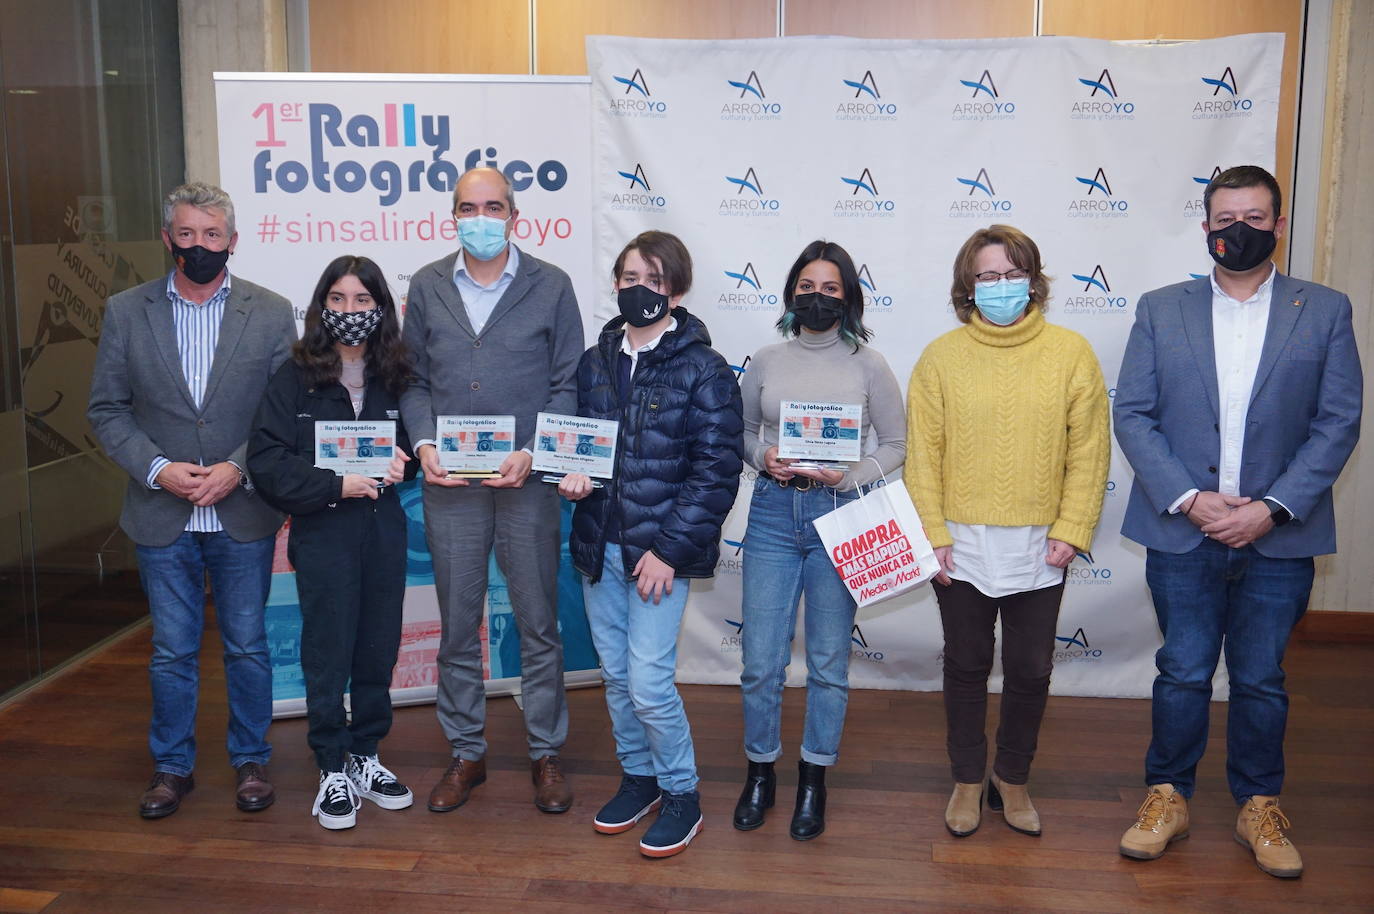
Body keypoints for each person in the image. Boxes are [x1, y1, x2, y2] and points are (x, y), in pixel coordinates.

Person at [1114, 166, 1362, 878]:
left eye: (1254, 217)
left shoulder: (1325, 310)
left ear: (1279, 225)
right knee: (1183, 670)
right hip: (1184, 530)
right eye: (1225, 219)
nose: (1239, 231)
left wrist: (1270, 508)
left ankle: (1260, 804)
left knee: (1260, 678)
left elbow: (1337, 420)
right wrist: (1191, 499)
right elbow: (1133, 412)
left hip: (1279, 535)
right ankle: (1167, 796)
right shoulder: (1162, 309)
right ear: (1205, 228)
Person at [87, 182, 296, 818]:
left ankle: (251, 759)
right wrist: (157, 469)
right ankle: (172, 767)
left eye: (212, 235)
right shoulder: (127, 310)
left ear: (233, 241)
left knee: (247, 644)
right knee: (172, 649)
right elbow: (107, 408)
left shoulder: (270, 310)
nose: (199, 246)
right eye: (187, 234)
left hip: (242, 508)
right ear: (167, 238)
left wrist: (236, 468)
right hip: (162, 511)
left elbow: (281, 413)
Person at [905, 224, 1109, 839]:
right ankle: (969, 777)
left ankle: (1012, 778)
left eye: (1011, 274)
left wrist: (1072, 528)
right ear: (969, 286)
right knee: (966, 663)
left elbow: (1090, 452)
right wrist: (932, 534)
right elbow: (924, 456)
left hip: (1040, 542)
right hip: (959, 544)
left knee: (1030, 668)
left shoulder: (1072, 353)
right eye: (987, 277)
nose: (1000, 286)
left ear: (1034, 280)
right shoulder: (941, 357)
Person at [400, 167, 584, 815]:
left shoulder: (552, 286)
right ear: (452, 216)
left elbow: (568, 385)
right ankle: (465, 753)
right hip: (450, 485)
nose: (480, 217)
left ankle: (546, 753)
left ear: (514, 216)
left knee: (538, 621)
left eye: (493, 206)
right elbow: (412, 381)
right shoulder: (426, 285)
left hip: (527, 483)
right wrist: (423, 445)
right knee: (457, 624)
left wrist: (534, 451)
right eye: (467, 207)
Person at [560, 231, 743, 858]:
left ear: (677, 290)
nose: (640, 288)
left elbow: (715, 472)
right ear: (615, 282)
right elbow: (580, 445)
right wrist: (573, 475)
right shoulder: (594, 361)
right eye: (630, 276)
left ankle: (683, 792)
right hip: (598, 545)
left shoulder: (705, 370)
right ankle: (639, 777)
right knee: (615, 677)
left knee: (648, 683)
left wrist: (668, 550)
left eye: (655, 279)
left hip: (657, 555)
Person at [735, 240, 907, 841]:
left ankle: (814, 778)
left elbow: (895, 444)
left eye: (830, 288)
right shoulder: (765, 358)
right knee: (761, 661)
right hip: (773, 514)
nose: (817, 297)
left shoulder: (869, 364)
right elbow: (743, 431)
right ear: (790, 293)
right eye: (807, 286)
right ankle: (761, 772)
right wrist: (764, 456)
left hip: (841, 515)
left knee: (829, 662)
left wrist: (851, 476)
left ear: (849, 297)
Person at [248, 255, 418, 830]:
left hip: (383, 533)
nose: (350, 311)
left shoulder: (397, 375)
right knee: (328, 649)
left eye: (363, 301)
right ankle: (330, 768)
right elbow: (268, 460)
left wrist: (406, 463)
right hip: (324, 533)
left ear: (381, 307)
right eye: (339, 300)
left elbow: (418, 449)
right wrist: (335, 484)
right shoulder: (295, 376)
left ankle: (366, 756)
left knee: (377, 646)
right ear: (323, 307)